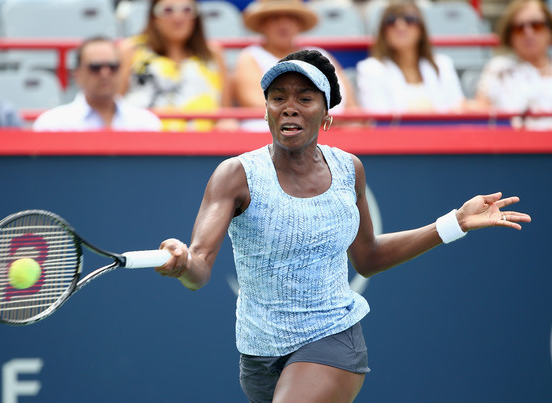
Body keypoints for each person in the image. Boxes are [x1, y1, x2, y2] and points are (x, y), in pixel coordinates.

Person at [152, 49, 531, 402]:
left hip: (333, 339)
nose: (289, 108)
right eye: (278, 98)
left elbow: (368, 256)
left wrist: (455, 223)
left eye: (305, 99)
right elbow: (199, 266)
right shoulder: (235, 174)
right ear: (266, 111)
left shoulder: (349, 169)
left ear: (326, 115)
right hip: (258, 355)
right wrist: (184, 262)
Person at [233, 0, 359, 131]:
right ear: (262, 25)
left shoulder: (319, 54)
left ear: (299, 24)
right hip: (272, 134)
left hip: (333, 132)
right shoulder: (250, 56)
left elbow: (350, 104)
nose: (283, 24)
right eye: (275, 18)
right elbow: (254, 102)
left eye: (290, 18)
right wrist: (314, 116)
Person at [116, 0, 236, 131]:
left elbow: (225, 113)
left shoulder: (213, 54)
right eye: (168, 10)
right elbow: (115, 104)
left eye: (187, 10)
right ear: (154, 17)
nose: (178, 18)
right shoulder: (131, 50)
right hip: (143, 142)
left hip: (204, 145)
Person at [355, 0, 467, 113]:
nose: (400, 26)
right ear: (383, 31)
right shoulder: (370, 69)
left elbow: (458, 109)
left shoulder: (443, 64)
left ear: (421, 29)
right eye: (391, 21)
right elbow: (379, 118)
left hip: (443, 130)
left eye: (409, 19)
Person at [33, 36, 162, 131]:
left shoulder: (146, 123)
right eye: (95, 67)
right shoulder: (52, 124)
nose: (105, 73)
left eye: (113, 66)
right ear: (77, 74)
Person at [474, 0, 552, 129]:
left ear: (549, 30)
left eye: (536, 25)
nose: (528, 33)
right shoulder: (498, 69)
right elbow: (480, 115)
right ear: (509, 35)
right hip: (510, 146)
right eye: (519, 28)